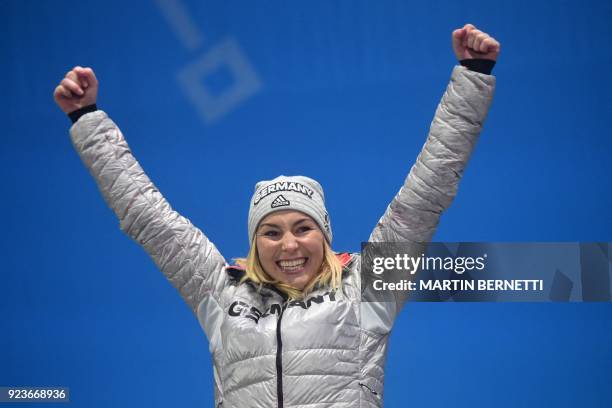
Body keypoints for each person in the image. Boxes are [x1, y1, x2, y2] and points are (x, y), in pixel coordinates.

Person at [54, 23, 500, 408]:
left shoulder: (364, 290)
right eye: (271, 232)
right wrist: (86, 117)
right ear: (254, 242)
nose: (288, 244)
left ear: (324, 235)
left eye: (303, 227)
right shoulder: (218, 291)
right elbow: (149, 217)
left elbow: (427, 190)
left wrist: (472, 75)